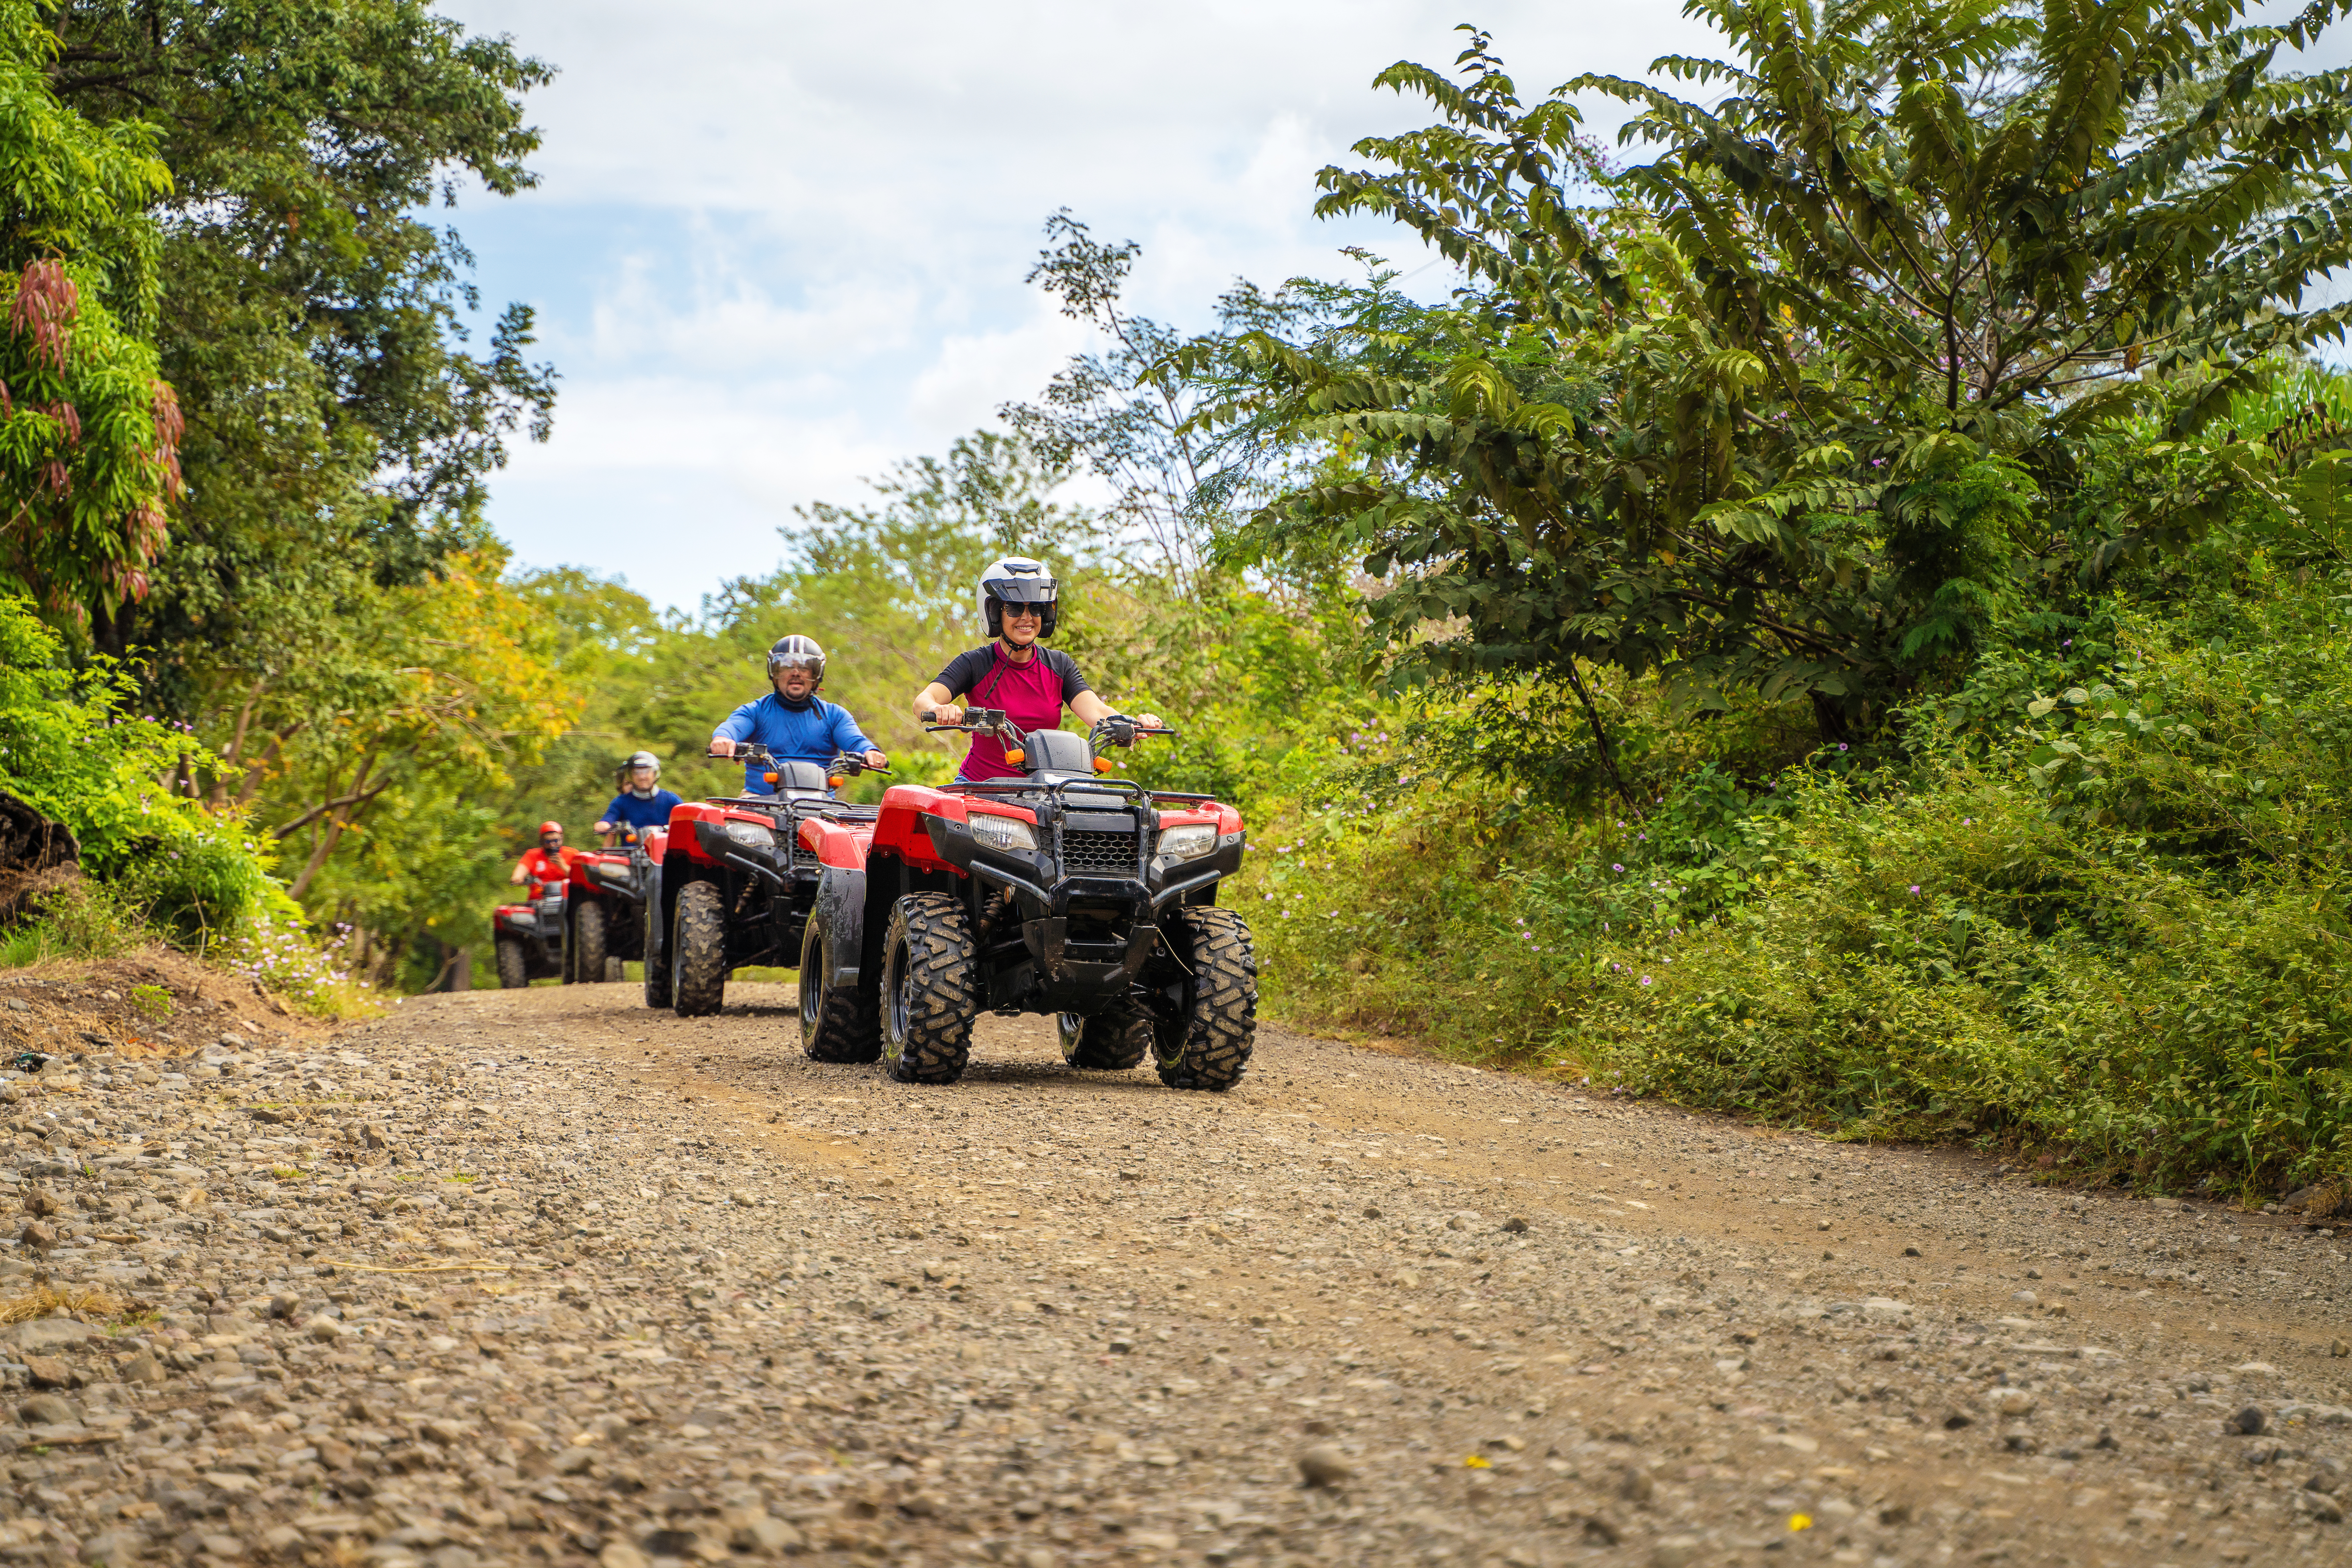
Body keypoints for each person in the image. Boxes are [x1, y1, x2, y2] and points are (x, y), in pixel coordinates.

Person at [908, 557, 1161, 782]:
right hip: (981, 789)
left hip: (1044, 792)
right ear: (995, 612)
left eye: (1037, 608)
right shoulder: (975, 663)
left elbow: (1097, 710)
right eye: (1015, 608)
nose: (1027, 617)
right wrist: (939, 709)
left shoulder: (1059, 665)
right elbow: (922, 701)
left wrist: (1130, 723)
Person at [709, 634, 888, 793]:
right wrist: (723, 739)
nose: (796, 673)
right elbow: (732, 726)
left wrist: (870, 752)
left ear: (817, 675)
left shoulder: (835, 715)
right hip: (759, 804)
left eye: (805, 668)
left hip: (822, 810)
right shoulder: (756, 711)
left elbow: (856, 741)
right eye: (787, 667)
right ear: (775, 673)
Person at [595, 751, 682, 843]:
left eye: (647, 771)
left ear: (655, 773)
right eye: (637, 772)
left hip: (666, 855)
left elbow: (688, 822)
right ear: (631, 776)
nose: (642, 777)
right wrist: (604, 825)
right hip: (631, 856)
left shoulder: (671, 800)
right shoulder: (621, 802)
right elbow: (609, 819)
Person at [510, 822, 575, 887]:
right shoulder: (532, 855)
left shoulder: (572, 854)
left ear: (561, 839)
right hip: (539, 895)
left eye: (556, 841)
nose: (552, 845)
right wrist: (518, 880)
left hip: (566, 895)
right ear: (542, 842)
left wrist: (563, 866)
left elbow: (581, 878)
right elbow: (519, 874)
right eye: (548, 842)